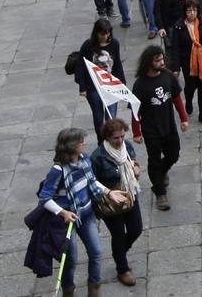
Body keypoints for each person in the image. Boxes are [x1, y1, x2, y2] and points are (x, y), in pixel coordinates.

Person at [37, 127, 127, 297]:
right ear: (71, 146)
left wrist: (109, 192)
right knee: (70, 260)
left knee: (97, 252)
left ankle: (94, 289)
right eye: (81, 142)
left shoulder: (85, 159)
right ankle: (68, 291)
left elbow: (91, 181)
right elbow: (44, 199)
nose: (84, 144)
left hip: (86, 214)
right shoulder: (58, 171)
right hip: (67, 221)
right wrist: (63, 213)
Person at [130, 45, 188, 211]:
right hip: (151, 130)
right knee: (154, 161)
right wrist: (136, 132)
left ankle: (160, 173)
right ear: (149, 62)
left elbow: (176, 99)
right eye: (157, 60)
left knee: (174, 154)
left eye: (162, 59)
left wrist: (183, 119)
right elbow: (136, 112)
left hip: (169, 125)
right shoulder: (140, 85)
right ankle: (160, 192)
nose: (161, 62)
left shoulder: (168, 76)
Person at [89, 118, 143, 288]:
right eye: (115, 138)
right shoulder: (97, 157)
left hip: (129, 195)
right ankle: (122, 268)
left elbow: (132, 164)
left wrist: (136, 170)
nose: (120, 141)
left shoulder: (127, 146)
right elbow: (92, 181)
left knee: (136, 229)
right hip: (111, 202)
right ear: (107, 138)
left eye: (121, 136)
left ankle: (119, 253)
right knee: (118, 234)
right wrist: (107, 193)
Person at [167, 1, 202, 125]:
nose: (192, 13)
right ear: (185, 12)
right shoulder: (179, 26)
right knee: (190, 86)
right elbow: (175, 47)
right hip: (187, 62)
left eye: (194, 10)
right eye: (189, 10)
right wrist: (176, 67)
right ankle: (188, 100)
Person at [74, 18, 125, 138]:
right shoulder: (88, 46)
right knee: (98, 116)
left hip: (110, 85)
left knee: (111, 117)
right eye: (103, 33)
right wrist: (82, 87)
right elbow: (81, 66)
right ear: (96, 33)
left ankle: (111, 139)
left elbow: (117, 63)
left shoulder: (114, 43)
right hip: (93, 86)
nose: (105, 36)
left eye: (108, 33)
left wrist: (121, 82)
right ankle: (101, 139)